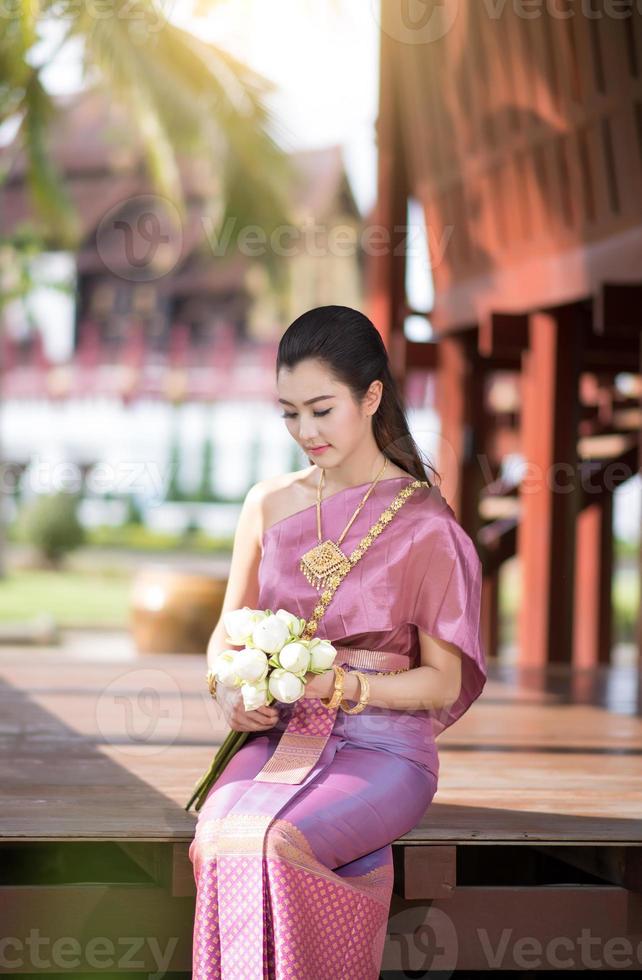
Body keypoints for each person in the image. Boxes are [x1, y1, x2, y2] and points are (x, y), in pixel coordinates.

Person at [188, 305, 487, 979]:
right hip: (276, 736)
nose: (305, 431)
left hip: (385, 747)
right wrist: (229, 691)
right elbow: (224, 637)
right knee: (222, 838)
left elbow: (440, 682)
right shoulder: (267, 503)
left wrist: (342, 687)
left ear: (372, 395)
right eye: (289, 413)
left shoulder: (426, 526)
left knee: (277, 840)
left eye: (322, 409)